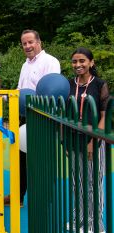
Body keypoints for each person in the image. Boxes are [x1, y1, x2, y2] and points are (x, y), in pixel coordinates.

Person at [4, 29, 61, 207]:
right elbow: (21, 91)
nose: (27, 46)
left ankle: (44, 198)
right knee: (20, 157)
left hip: (42, 116)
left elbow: (52, 91)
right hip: (24, 116)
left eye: (30, 42)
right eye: (24, 43)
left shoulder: (50, 62)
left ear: (39, 42)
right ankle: (18, 196)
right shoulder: (25, 65)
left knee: (42, 159)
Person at [67, 47, 109, 232]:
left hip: (94, 141)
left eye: (82, 61)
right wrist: (64, 140)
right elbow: (63, 114)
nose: (78, 65)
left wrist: (94, 141)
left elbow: (105, 116)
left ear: (91, 63)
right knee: (77, 183)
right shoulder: (68, 84)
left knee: (94, 184)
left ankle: (94, 224)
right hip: (73, 141)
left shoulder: (100, 84)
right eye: (75, 61)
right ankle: (79, 219)